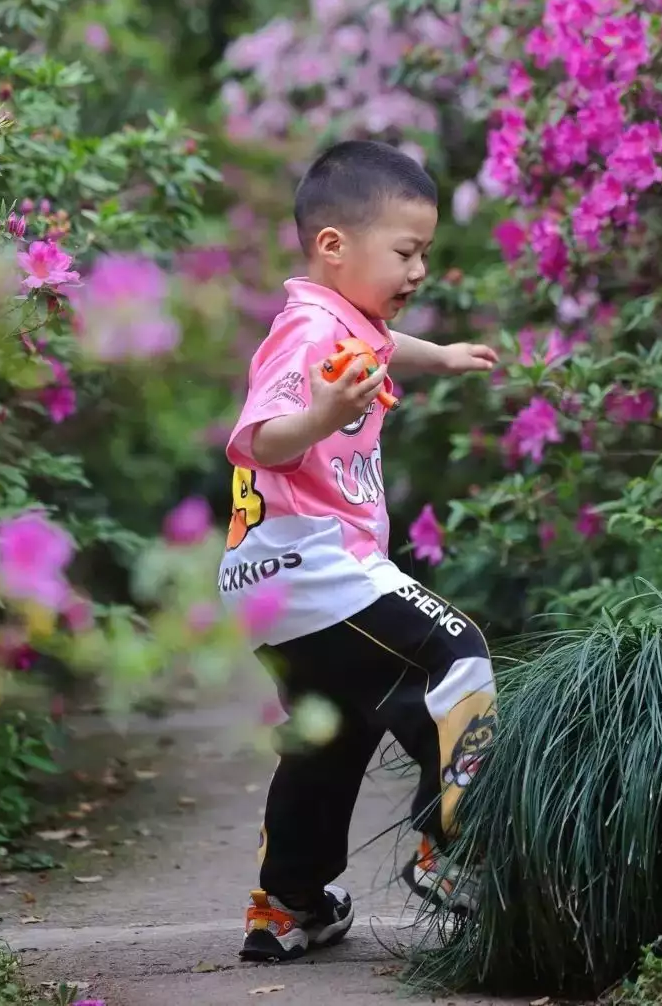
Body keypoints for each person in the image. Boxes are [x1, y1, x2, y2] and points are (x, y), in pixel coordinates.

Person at [220, 140, 498, 963]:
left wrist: (440, 355)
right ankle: (456, 851)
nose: (418, 272)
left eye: (425, 255)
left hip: (266, 580)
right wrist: (319, 414)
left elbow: (381, 346)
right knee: (460, 659)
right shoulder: (305, 331)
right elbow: (260, 440)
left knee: (332, 728)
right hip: (314, 561)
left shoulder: (347, 320)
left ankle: (289, 906)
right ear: (334, 245)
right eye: (406, 253)